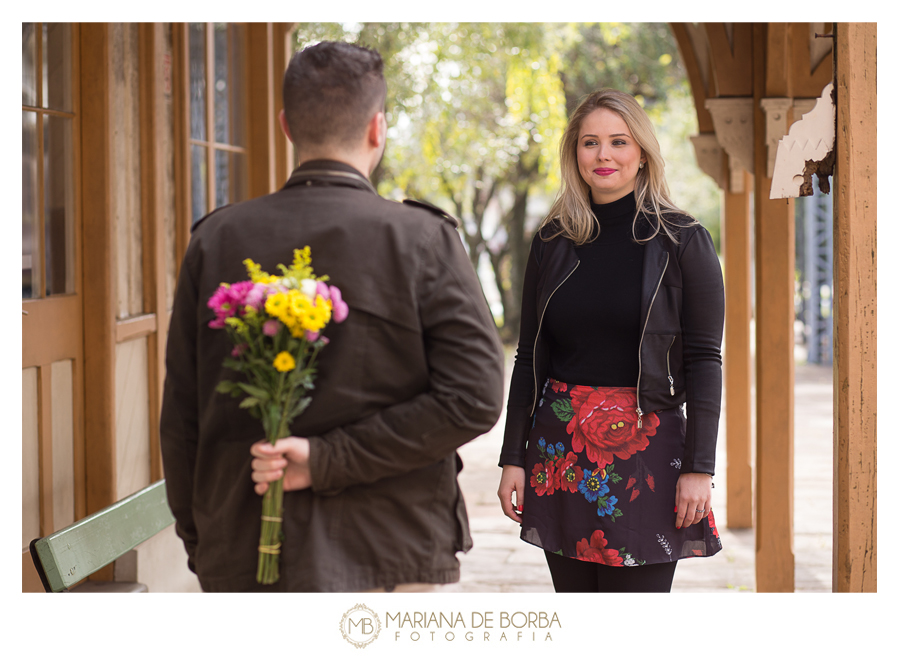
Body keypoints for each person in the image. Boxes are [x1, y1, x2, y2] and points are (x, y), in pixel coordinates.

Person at [161, 41, 505, 592]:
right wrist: (326, 460)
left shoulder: (216, 240)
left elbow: (181, 419)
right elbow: (475, 398)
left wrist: (207, 542)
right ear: (378, 129)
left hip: (244, 548)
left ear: (285, 125)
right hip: (390, 553)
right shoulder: (421, 239)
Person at [496, 89, 724, 593]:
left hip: (648, 447)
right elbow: (529, 355)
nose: (604, 155)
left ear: (641, 152)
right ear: (573, 153)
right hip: (561, 452)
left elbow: (706, 360)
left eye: (619, 142)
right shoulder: (551, 240)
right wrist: (513, 455)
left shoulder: (684, 241)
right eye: (590, 142)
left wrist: (699, 468)